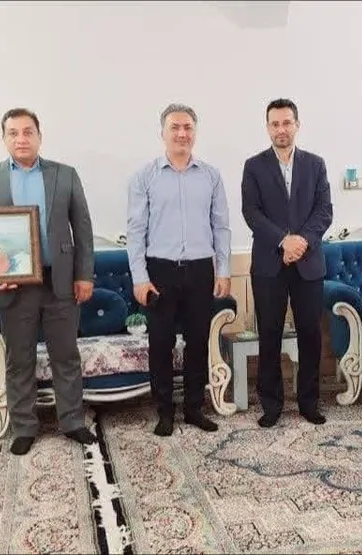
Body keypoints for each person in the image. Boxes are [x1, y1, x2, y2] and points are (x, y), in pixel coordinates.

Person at [0, 107, 98, 455]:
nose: (21, 139)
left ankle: (73, 422)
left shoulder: (65, 175)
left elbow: (83, 227)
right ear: (4, 138)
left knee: (66, 356)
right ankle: (24, 427)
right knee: (19, 359)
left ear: (39, 136)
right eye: (13, 133)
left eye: (28, 132)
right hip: (14, 287)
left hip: (60, 282)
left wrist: (84, 275)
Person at [127, 103, 231, 437]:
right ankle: (164, 411)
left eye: (188, 127)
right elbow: (135, 231)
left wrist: (224, 270)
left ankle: (194, 408)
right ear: (163, 133)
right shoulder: (145, 176)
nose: (182, 133)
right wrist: (140, 278)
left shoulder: (211, 176)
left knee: (198, 340)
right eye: (175, 127)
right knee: (161, 342)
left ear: (195, 133)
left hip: (201, 270)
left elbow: (221, 227)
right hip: (160, 270)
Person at [240, 98, 333, 427]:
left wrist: (301, 241)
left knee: (311, 334)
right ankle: (271, 405)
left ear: (297, 125)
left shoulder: (316, 164)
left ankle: (309, 402)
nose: (281, 129)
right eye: (275, 124)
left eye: (287, 123)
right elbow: (251, 212)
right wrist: (283, 240)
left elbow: (324, 211)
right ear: (268, 128)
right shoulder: (254, 166)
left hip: (308, 262)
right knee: (269, 334)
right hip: (269, 263)